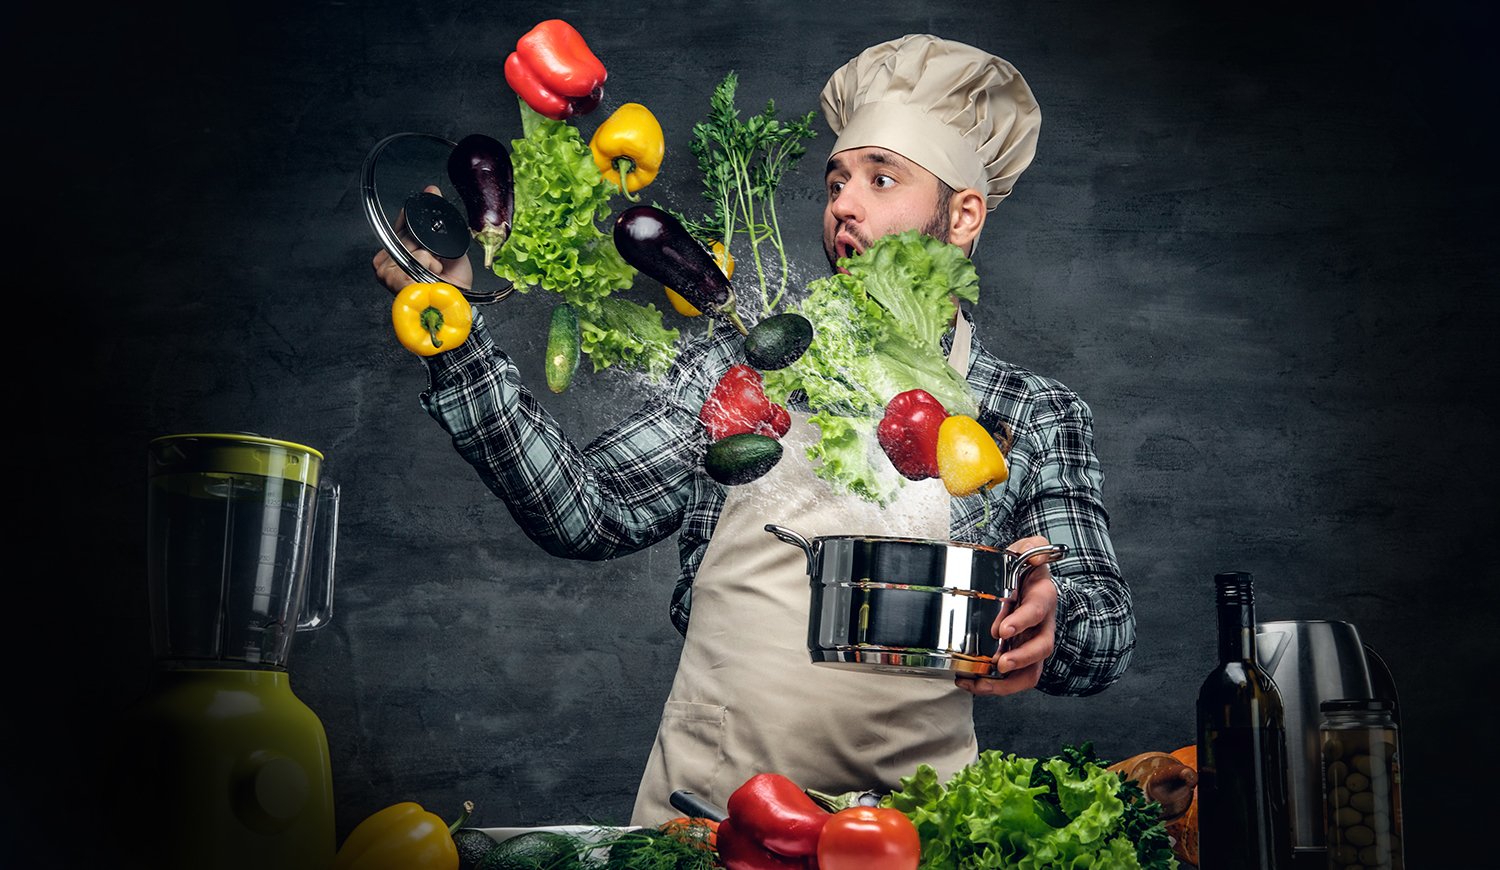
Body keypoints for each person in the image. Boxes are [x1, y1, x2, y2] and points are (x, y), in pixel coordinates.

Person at [373, 34, 1134, 825]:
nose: (844, 201)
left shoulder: (1028, 412)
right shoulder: (741, 368)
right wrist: (456, 341)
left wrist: (1051, 618)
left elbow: (1107, 631)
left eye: (882, 179)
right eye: (837, 180)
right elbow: (586, 513)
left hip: (911, 835)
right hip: (704, 816)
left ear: (963, 214)